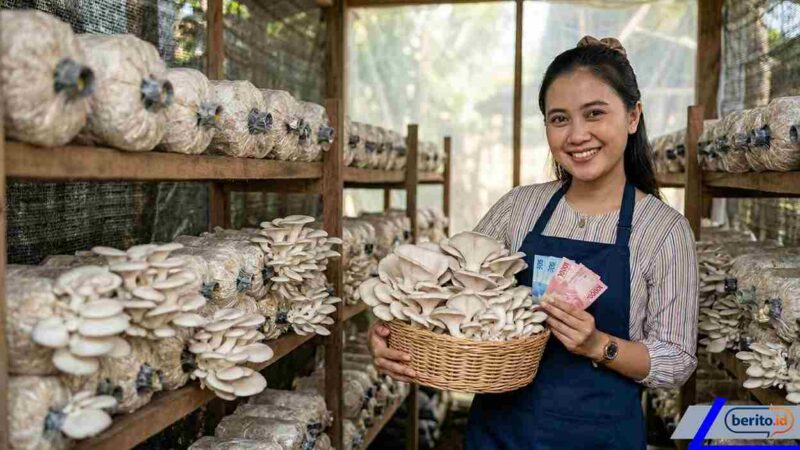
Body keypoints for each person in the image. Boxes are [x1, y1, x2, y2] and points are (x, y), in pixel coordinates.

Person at [367, 36, 699, 449]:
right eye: (559, 119)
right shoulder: (518, 208)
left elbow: (675, 362)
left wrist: (598, 345)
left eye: (594, 114)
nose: (577, 135)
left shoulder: (664, 232)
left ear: (633, 117)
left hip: (600, 439)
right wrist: (394, 335)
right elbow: (446, 292)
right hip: (500, 435)